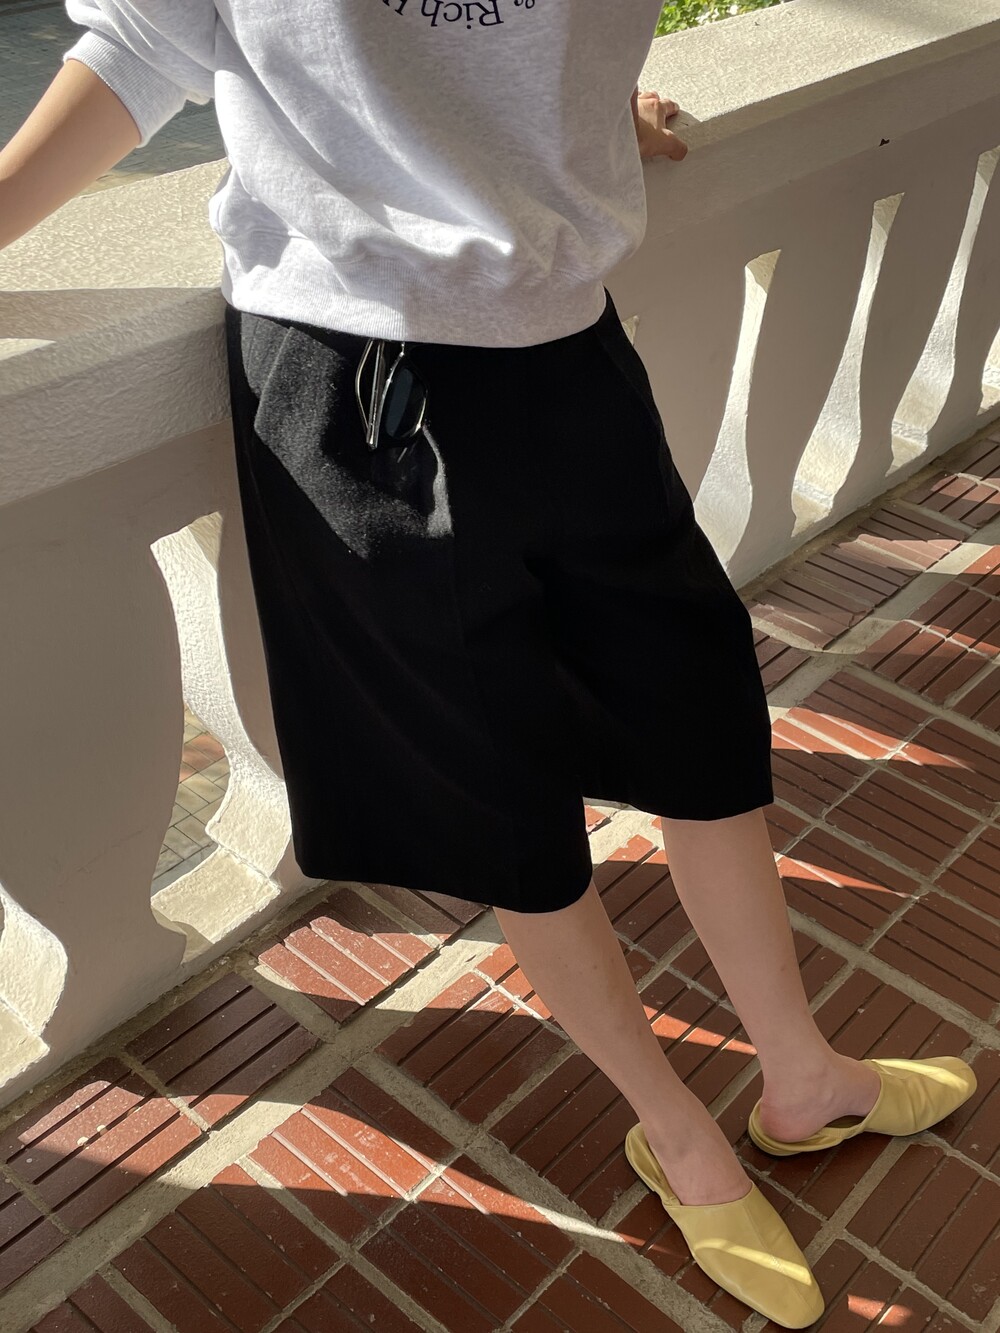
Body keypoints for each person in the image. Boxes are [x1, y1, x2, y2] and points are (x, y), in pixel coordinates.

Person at [0, 5, 976, 1327]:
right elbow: (148, 42)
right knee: (505, 800)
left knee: (702, 718)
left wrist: (565, 126)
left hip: (568, 343)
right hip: (359, 374)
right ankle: (675, 1132)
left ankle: (802, 1076)